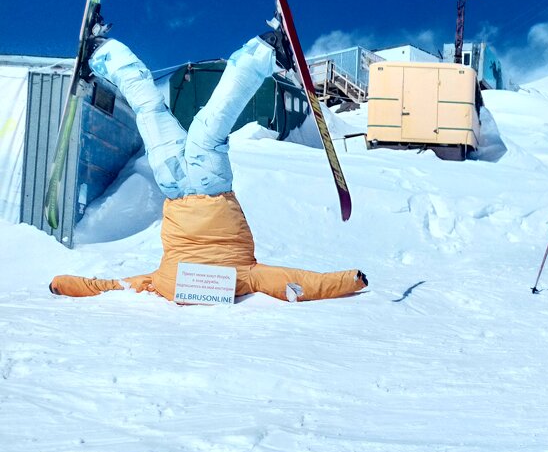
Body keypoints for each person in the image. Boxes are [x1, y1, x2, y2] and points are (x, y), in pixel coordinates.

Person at [49, 19, 368, 303]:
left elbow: (108, 287)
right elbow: (112, 286)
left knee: (196, 118)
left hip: (194, 184)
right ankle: (102, 51)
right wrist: (346, 281)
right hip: (181, 182)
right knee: (155, 110)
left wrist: (66, 284)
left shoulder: (234, 277)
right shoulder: (225, 278)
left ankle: (265, 51)